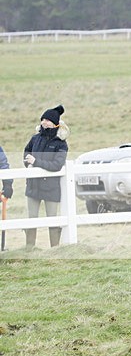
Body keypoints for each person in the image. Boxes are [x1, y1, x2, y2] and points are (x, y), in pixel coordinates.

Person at [23, 104, 69, 249]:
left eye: (47, 120)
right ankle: (29, 249)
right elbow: (26, 153)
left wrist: (36, 162)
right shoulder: (35, 139)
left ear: (55, 123)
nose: (44, 122)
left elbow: (57, 165)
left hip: (51, 188)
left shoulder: (61, 144)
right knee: (32, 219)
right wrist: (28, 164)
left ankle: (54, 249)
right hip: (33, 186)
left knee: (52, 220)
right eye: (43, 119)